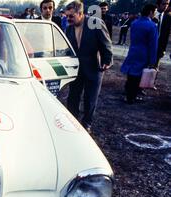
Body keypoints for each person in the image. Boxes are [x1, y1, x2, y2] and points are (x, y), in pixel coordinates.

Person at [65, 0, 112, 132]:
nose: (68, 19)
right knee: (73, 96)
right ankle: (72, 122)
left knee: (90, 99)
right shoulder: (68, 28)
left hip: (93, 68)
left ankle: (86, 125)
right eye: (67, 16)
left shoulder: (95, 24)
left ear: (80, 14)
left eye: (71, 16)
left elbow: (106, 44)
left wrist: (107, 60)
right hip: (76, 69)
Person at [121, 4, 158, 104]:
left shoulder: (135, 23)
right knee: (137, 76)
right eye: (154, 11)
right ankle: (131, 97)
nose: (155, 13)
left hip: (133, 50)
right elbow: (153, 45)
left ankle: (128, 94)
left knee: (131, 74)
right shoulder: (152, 26)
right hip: (143, 53)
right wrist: (152, 61)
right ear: (150, 12)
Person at [154, 0, 171, 68]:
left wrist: (163, 49)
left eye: (167, 4)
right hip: (147, 47)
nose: (166, 6)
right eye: (164, 4)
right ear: (158, 5)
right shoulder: (151, 15)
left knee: (153, 71)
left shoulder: (168, 17)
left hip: (159, 49)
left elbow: (166, 35)